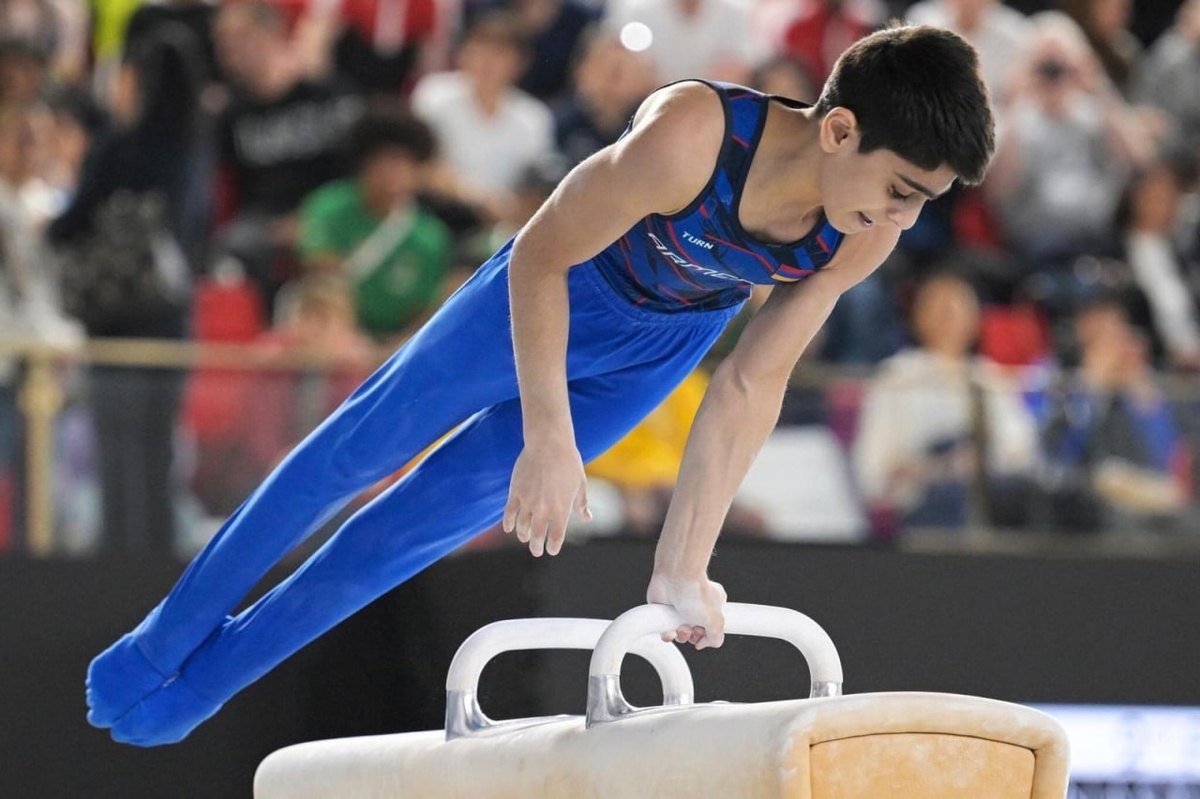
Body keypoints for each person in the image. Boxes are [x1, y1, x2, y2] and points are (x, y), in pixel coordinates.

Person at [85, 24, 994, 746]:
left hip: (656, 352)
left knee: (411, 530)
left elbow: (751, 384)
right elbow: (542, 257)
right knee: (353, 454)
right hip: (552, 291)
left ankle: (206, 682)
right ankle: (165, 638)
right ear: (839, 129)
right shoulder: (693, 135)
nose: (904, 217)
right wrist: (550, 437)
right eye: (902, 189)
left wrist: (682, 566)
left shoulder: (861, 234)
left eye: (923, 201)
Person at [297, 109, 452, 340]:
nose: (392, 172)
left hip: (397, 345)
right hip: (334, 335)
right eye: (382, 161)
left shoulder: (430, 236)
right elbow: (321, 274)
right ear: (364, 164)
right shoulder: (330, 206)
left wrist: (392, 350)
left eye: (402, 162)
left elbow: (426, 311)